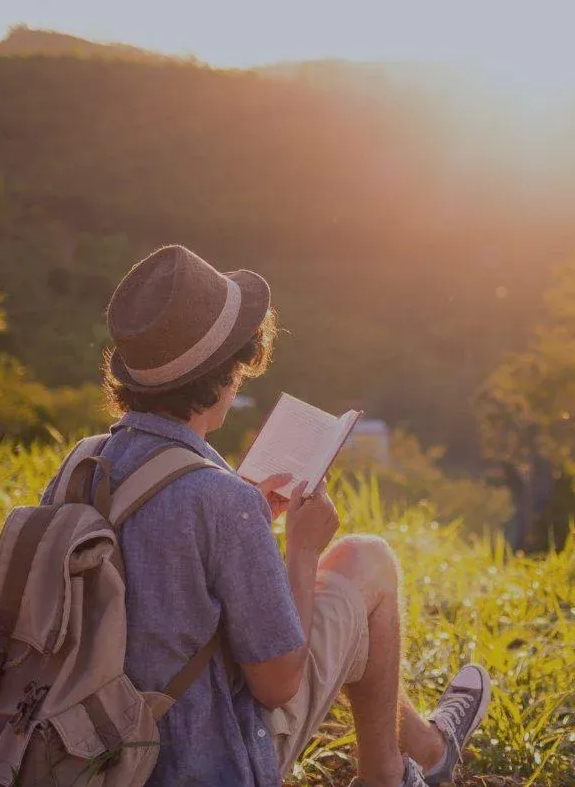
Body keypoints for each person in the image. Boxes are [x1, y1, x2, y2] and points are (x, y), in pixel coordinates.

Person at [45, 245, 491, 787]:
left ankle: (423, 749)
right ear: (228, 371)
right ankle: (392, 774)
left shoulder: (85, 461)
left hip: (84, 747)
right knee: (367, 561)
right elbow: (278, 683)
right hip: (204, 762)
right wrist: (300, 550)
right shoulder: (218, 499)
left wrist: (248, 518)